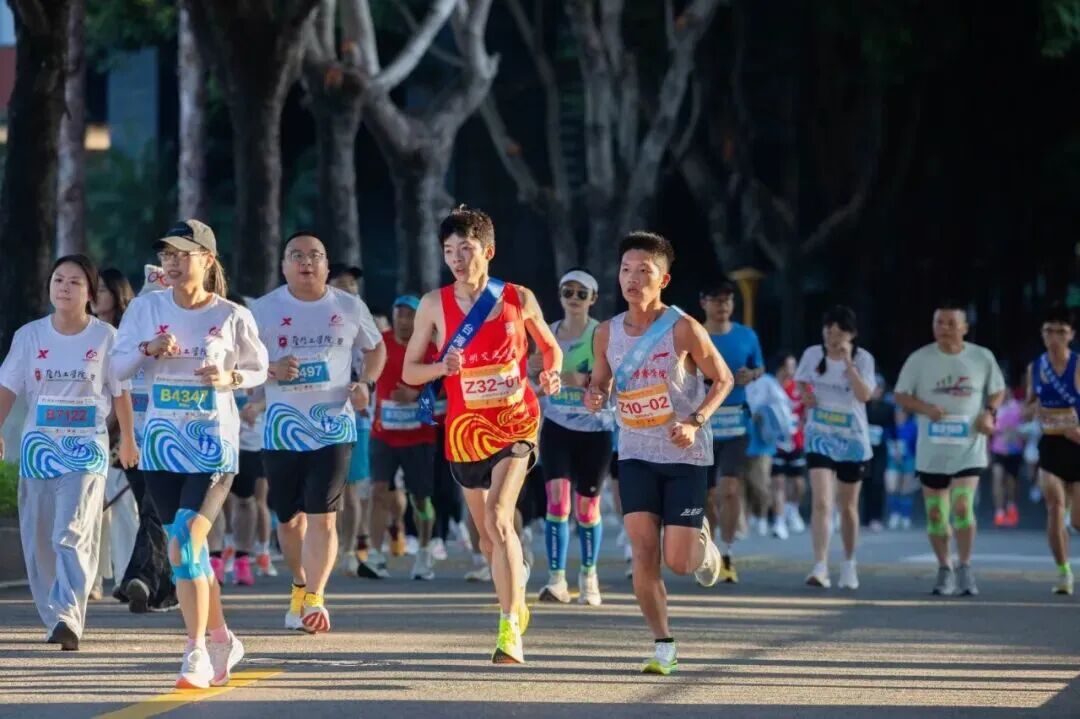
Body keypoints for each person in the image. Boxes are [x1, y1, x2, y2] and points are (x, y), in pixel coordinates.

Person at [403, 206, 561, 665]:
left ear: (488, 251)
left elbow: (550, 349)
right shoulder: (433, 304)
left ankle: (509, 629)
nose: (457, 259)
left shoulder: (518, 297)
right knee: (488, 538)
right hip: (466, 431)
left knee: (498, 516)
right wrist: (440, 367)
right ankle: (516, 589)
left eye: (466, 249)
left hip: (516, 422)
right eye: (449, 251)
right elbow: (411, 370)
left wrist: (550, 373)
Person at [112, 221, 267, 687]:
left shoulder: (232, 315)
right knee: (189, 553)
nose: (173, 263)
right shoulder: (145, 309)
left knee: (183, 544)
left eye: (183, 254)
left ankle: (195, 650)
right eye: (167, 255)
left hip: (212, 447)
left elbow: (259, 368)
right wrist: (148, 348)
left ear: (208, 259)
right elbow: (116, 369)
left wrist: (229, 378)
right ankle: (221, 637)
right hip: (161, 446)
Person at [585, 231, 732, 675]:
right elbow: (600, 382)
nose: (632, 279)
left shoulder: (683, 328)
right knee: (643, 552)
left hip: (684, 456)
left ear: (663, 279)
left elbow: (723, 379)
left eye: (643, 271)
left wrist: (695, 421)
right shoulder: (606, 332)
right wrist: (595, 394)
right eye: (626, 270)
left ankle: (703, 545)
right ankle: (663, 643)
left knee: (680, 563)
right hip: (634, 454)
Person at [0, 255, 138, 651]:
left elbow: (120, 392)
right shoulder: (29, 336)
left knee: (72, 532)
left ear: (90, 292)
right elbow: (7, 388)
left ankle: (68, 615)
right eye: (58, 279)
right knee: (40, 538)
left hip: (86, 449)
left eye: (75, 281)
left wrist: (129, 438)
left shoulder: (106, 337)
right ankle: (53, 615)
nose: (64, 287)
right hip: (39, 450)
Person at [250, 231, 385, 633]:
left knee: (323, 517)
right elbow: (238, 361)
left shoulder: (349, 306)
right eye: (297, 255)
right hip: (282, 430)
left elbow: (376, 349)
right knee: (289, 520)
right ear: (283, 266)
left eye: (315, 255)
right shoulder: (262, 309)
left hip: (333, 427)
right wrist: (271, 370)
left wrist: (366, 383)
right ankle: (298, 583)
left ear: (326, 265)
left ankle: (314, 598)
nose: (306, 262)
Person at [894, 303, 1005, 596]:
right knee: (935, 514)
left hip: (968, 447)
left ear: (965, 328)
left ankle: (965, 565)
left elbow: (997, 390)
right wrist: (925, 408)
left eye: (951, 323)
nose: (944, 328)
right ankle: (945, 567)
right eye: (939, 323)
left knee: (962, 506)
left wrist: (989, 412)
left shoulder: (982, 357)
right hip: (932, 451)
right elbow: (901, 395)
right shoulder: (920, 359)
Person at [534, 269, 614, 606]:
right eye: (568, 292)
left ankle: (588, 576)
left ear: (593, 299)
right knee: (557, 502)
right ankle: (556, 579)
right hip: (556, 427)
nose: (575, 299)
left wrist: (579, 379)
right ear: (560, 295)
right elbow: (534, 373)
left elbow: (611, 381)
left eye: (582, 293)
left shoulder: (602, 334)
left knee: (586, 507)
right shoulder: (548, 333)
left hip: (596, 431)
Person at [795, 306, 876, 590]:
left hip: (853, 441)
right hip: (819, 436)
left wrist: (848, 364)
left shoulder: (863, 359)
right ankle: (820, 566)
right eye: (828, 331)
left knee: (848, 507)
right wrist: (806, 395)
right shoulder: (811, 355)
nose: (833, 337)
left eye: (840, 332)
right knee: (821, 502)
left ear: (852, 335)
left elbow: (864, 395)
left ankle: (849, 564)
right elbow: (801, 381)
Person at [115, 265, 179, 613]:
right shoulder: (128, 341)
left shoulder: (185, 339)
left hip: (173, 442)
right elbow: (115, 382)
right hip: (134, 442)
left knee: (155, 511)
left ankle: (139, 578)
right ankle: (163, 588)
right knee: (152, 513)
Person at [365, 294, 440, 580]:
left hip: (419, 437)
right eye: (400, 315)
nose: (404, 321)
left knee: (421, 499)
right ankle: (375, 554)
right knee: (377, 491)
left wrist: (417, 395)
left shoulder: (430, 348)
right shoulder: (380, 343)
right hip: (383, 433)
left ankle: (424, 551)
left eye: (410, 315)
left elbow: (444, 389)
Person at [698, 281, 764, 583]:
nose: (722, 306)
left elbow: (758, 367)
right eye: (716, 300)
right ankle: (710, 550)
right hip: (703, 426)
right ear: (704, 303)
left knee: (730, 489)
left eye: (727, 300)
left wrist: (752, 374)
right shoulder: (695, 334)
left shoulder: (747, 335)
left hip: (737, 425)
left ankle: (727, 552)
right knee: (708, 495)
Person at [91, 269, 140, 602]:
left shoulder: (128, 336)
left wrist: (119, 429)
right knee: (92, 509)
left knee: (123, 507)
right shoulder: (83, 332)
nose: (96, 296)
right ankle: (90, 580)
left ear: (119, 295)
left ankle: (126, 577)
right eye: (94, 290)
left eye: (104, 290)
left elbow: (127, 391)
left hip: (122, 434)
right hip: (87, 433)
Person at [1025, 305, 1080, 595]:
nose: (1055, 337)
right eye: (1049, 331)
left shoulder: (1078, 366)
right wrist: (1034, 411)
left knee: (1078, 521)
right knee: (1055, 508)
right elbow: (1027, 406)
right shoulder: (1035, 368)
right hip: (1051, 445)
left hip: (1077, 446)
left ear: (1071, 335)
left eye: (1061, 331)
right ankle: (1063, 572)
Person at [773, 353, 807, 534]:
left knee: (798, 483)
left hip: (796, 441)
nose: (793, 370)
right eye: (790, 366)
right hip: (776, 442)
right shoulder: (771, 387)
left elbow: (807, 410)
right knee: (778, 482)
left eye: (795, 366)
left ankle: (793, 509)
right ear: (781, 367)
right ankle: (779, 522)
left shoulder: (800, 387)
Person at [990, 381, 1024, 528]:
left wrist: (1016, 432)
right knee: (997, 478)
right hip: (998, 450)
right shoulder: (994, 408)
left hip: (1014, 450)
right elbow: (988, 427)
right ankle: (999, 512)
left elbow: (1026, 426)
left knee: (1011, 482)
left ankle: (1011, 506)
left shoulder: (1019, 407)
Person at [864, 375, 895, 532]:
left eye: (878, 388)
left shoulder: (887, 408)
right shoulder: (863, 406)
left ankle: (876, 517)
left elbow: (893, 428)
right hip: (864, 450)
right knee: (865, 482)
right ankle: (865, 517)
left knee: (878, 482)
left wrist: (893, 444)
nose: (876, 391)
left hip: (880, 450)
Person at [885, 406, 918, 529]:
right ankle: (894, 514)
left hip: (908, 460)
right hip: (892, 461)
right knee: (891, 487)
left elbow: (916, 445)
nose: (899, 415)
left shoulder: (912, 427)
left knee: (906, 489)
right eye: (897, 413)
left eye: (901, 413)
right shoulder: (889, 427)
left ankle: (905, 516)